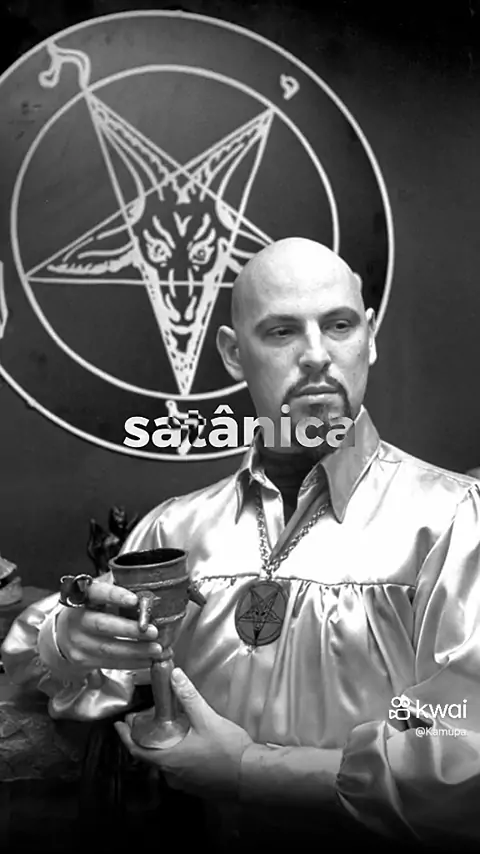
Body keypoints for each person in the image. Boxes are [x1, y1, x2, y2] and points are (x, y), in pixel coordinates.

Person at [3, 237, 480, 852]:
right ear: (233, 353)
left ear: (370, 337)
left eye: (339, 326)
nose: (317, 355)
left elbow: (462, 740)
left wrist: (252, 769)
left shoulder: (450, 521)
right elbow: (56, 663)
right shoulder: (177, 531)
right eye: (282, 331)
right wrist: (67, 640)